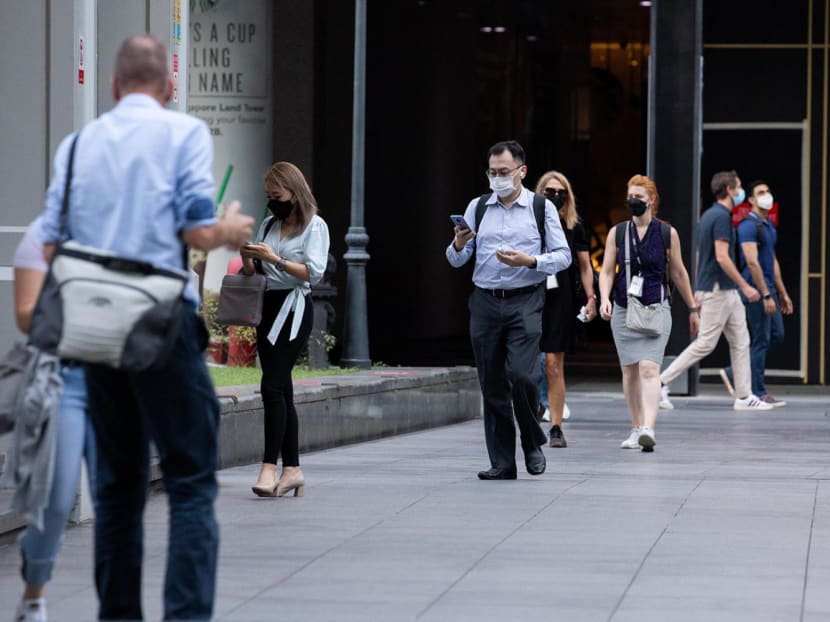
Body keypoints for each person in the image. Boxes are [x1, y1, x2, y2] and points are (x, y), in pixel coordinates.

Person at [38, 35, 254, 620]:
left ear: (113, 87)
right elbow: (192, 228)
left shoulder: (78, 144)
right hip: (162, 319)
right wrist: (228, 232)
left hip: (94, 328)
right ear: (169, 88)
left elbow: (51, 238)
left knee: (116, 488)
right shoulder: (180, 131)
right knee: (188, 480)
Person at [446, 140, 571, 480]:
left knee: (522, 375)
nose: (498, 178)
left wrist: (530, 260)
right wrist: (458, 244)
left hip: (525, 298)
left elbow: (563, 255)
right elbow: (456, 258)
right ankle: (503, 461)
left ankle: (531, 440)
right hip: (485, 300)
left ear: (522, 172)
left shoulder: (541, 208)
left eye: (504, 172)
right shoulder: (479, 206)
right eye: (492, 172)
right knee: (492, 382)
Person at [12, 218, 97, 622]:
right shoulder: (44, 233)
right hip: (66, 378)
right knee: (57, 496)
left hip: (123, 380)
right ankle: (34, 589)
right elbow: (26, 316)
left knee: (121, 507)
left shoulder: (137, 231)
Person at [243, 162, 330, 498]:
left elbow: (313, 273)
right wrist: (249, 257)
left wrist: (276, 260)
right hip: (268, 307)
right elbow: (254, 274)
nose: (272, 200)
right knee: (283, 390)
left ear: (294, 193)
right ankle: (292, 469)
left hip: (294, 309)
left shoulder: (314, 226)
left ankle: (269, 466)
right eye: (268, 195)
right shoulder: (269, 224)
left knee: (271, 386)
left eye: (276, 194)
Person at [658, 171, 773, 412]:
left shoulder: (710, 215)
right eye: (739, 187)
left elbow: (702, 254)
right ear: (730, 190)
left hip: (722, 289)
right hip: (719, 290)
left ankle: (744, 395)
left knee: (741, 340)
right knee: (706, 343)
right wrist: (745, 285)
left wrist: (702, 286)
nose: (741, 191)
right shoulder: (721, 217)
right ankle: (660, 382)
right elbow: (721, 256)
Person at [599, 175, 699, 452]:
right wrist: (604, 298)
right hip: (623, 307)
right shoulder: (618, 233)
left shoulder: (667, 233)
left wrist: (692, 307)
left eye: (639, 198)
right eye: (630, 197)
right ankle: (635, 427)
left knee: (649, 368)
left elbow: (678, 272)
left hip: (657, 307)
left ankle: (648, 428)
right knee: (630, 371)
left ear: (652, 200)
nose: (634, 202)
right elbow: (607, 270)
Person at [535, 171, 596, 448]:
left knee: (553, 363)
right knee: (524, 363)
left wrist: (592, 297)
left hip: (561, 298)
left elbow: (585, 266)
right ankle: (534, 407)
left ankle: (556, 425)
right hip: (532, 294)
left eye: (560, 191)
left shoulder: (574, 227)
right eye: (549, 191)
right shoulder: (529, 222)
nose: (555, 196)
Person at [721, 180, 794, 406]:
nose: (767, 195)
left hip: (770, 288)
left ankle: (734, 371)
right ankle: (758, 392)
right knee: (761, 339)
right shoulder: (748, 226)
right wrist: (765, 294)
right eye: (761, 192)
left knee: (776, 335)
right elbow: (752, 262)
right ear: (751, 200)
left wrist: (782, 293)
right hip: (755, 289)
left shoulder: (768, 225)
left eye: (768, 191)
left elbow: (771, 261)